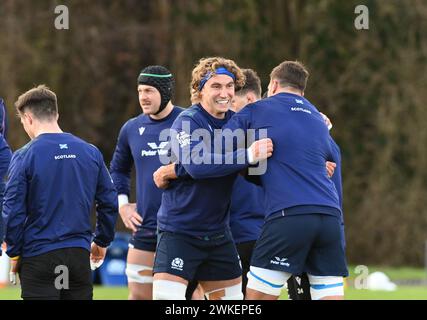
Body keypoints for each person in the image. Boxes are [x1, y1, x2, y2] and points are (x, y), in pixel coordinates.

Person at [223, 60, 348, 300]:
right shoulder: (318, 119)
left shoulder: (259, 109)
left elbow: (221, 141)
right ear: (302, 89)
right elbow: (334, 161)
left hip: (289, 216)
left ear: (273, 85)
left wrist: (247, 156)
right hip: (330, 219)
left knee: (257, 299)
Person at [151, 57, 273, 300]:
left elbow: (258, 172)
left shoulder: (236, 122)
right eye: (216, 86)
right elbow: (197, 165)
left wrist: (314, 137)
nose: (224, 93)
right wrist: (247, 154)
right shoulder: (186, 121)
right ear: (200, 89)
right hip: (180, 232)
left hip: (219, 234)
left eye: (229, 86)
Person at [2, 85, 118, 300]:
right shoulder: (90, 152)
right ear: (56, 114)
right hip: (78, 255)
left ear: (28, 118)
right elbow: (109, 202)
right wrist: (102, 240)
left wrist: (14, 251)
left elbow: (13, 209)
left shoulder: (25, 155)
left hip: (40, 256)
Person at [110, 65, 184, 300]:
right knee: (139, 296)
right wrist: (123, 204)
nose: (143, 97)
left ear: (165, 92)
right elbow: (118, 169)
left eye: (149, 90)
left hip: (184, 228)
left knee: (187, 298)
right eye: (140, 90)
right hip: (145, 229)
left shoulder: (189, 121)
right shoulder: (131, 128)